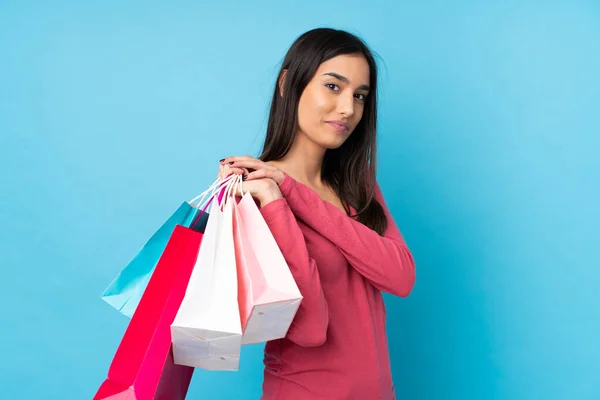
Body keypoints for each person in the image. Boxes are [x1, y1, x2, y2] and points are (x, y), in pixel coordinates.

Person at [217, 27, 416, 400]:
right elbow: (308, 327)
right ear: (287, 84)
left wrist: (295, 193)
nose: (348, 109)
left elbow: (401, 277)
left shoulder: (358, 187)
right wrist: (278, 201)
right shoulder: (255, 193)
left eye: (360, 96)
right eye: (333, 86)